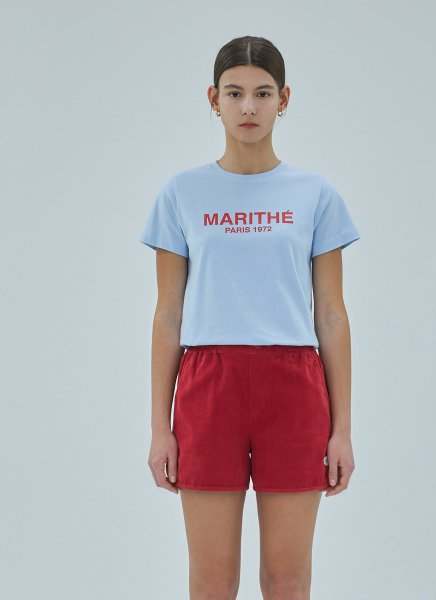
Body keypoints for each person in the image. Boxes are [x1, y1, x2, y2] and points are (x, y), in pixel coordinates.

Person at [139, 35, 361, 600]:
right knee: (212, 581)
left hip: (294, 387)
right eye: (234, 92)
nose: (248, 107)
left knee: (287, 579)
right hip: (209, 386)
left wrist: (342, 429)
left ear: (283, 99)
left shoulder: (315, 194)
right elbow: (168, 315)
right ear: (213, 98)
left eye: (262, 93)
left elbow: (332, 315)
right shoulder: (182, 193)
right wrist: (160, 427)